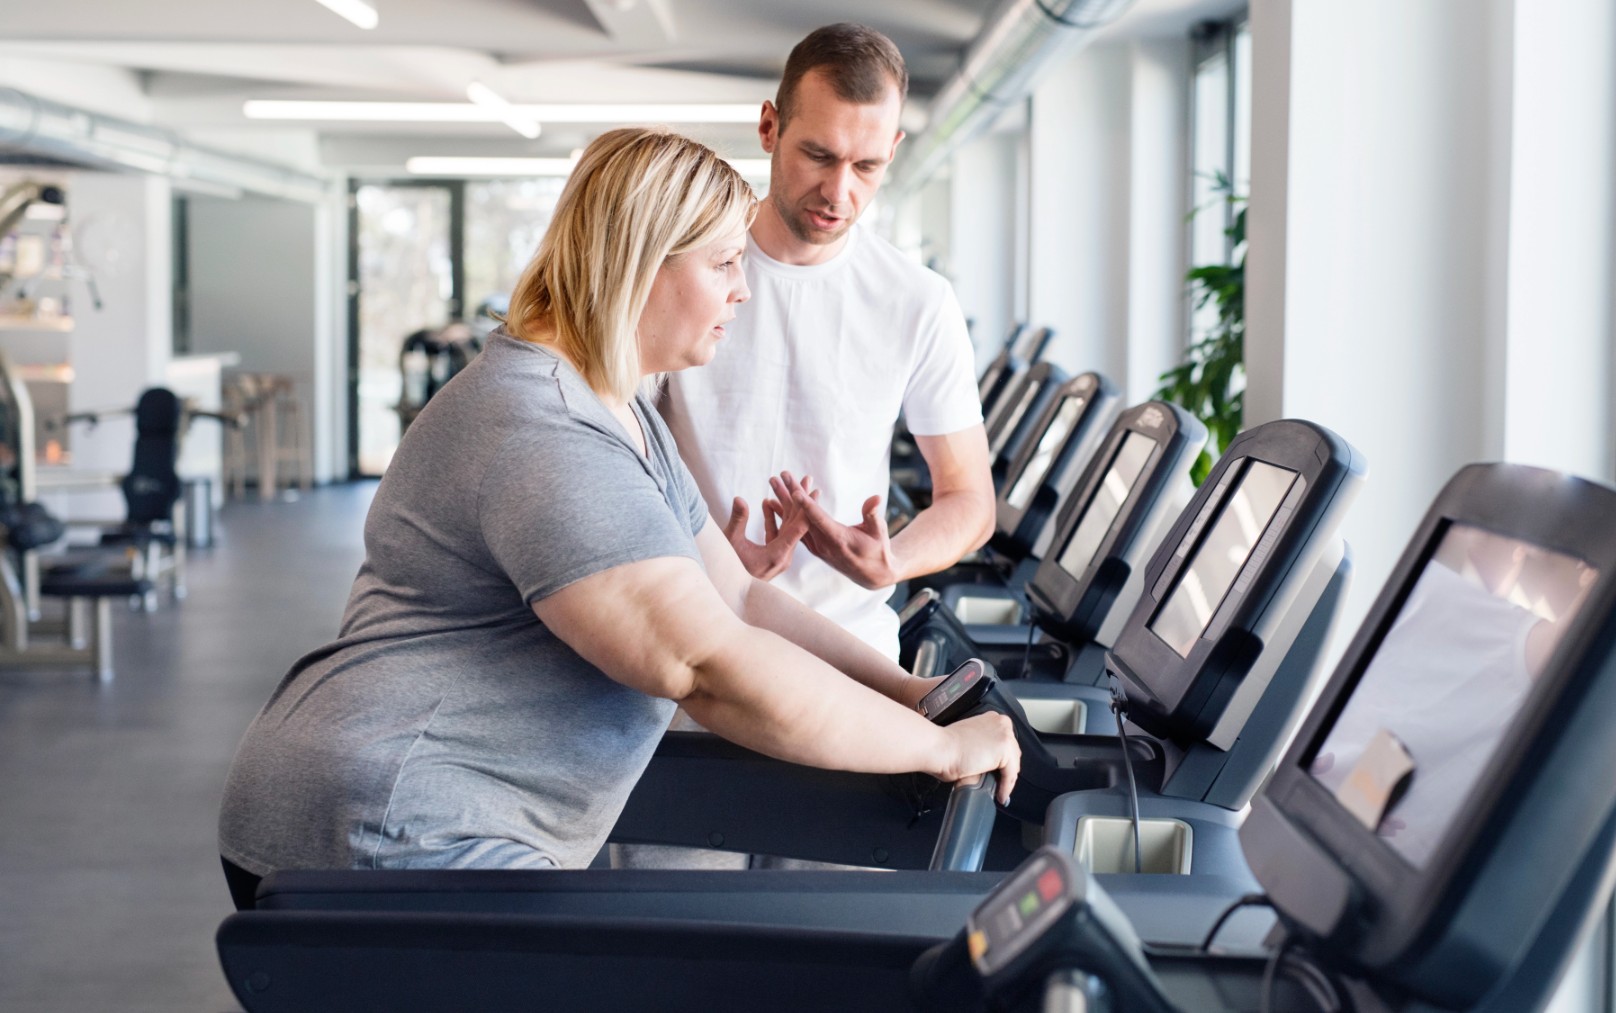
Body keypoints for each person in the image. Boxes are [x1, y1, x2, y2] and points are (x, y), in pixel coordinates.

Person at [216, 127, 1020, 909]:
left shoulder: (617, 410)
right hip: (392, 828)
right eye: (724, 263)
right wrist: (941, 748)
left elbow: (740, 599)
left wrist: (912, 693)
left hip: (422, 811)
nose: (742, 288)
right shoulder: (545, 430)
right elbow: (707, 667)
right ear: (643, 266)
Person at [660, 23, 996, 661]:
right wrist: (694, 551)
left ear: (892, 152)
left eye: (866, 166)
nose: (840, 192)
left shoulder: (918, 301)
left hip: (847, 654)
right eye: (818, 154)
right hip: (687, 634)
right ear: (769, 128)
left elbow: (969, 499)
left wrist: (892, 560)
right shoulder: (678, 272)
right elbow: (607, 457)